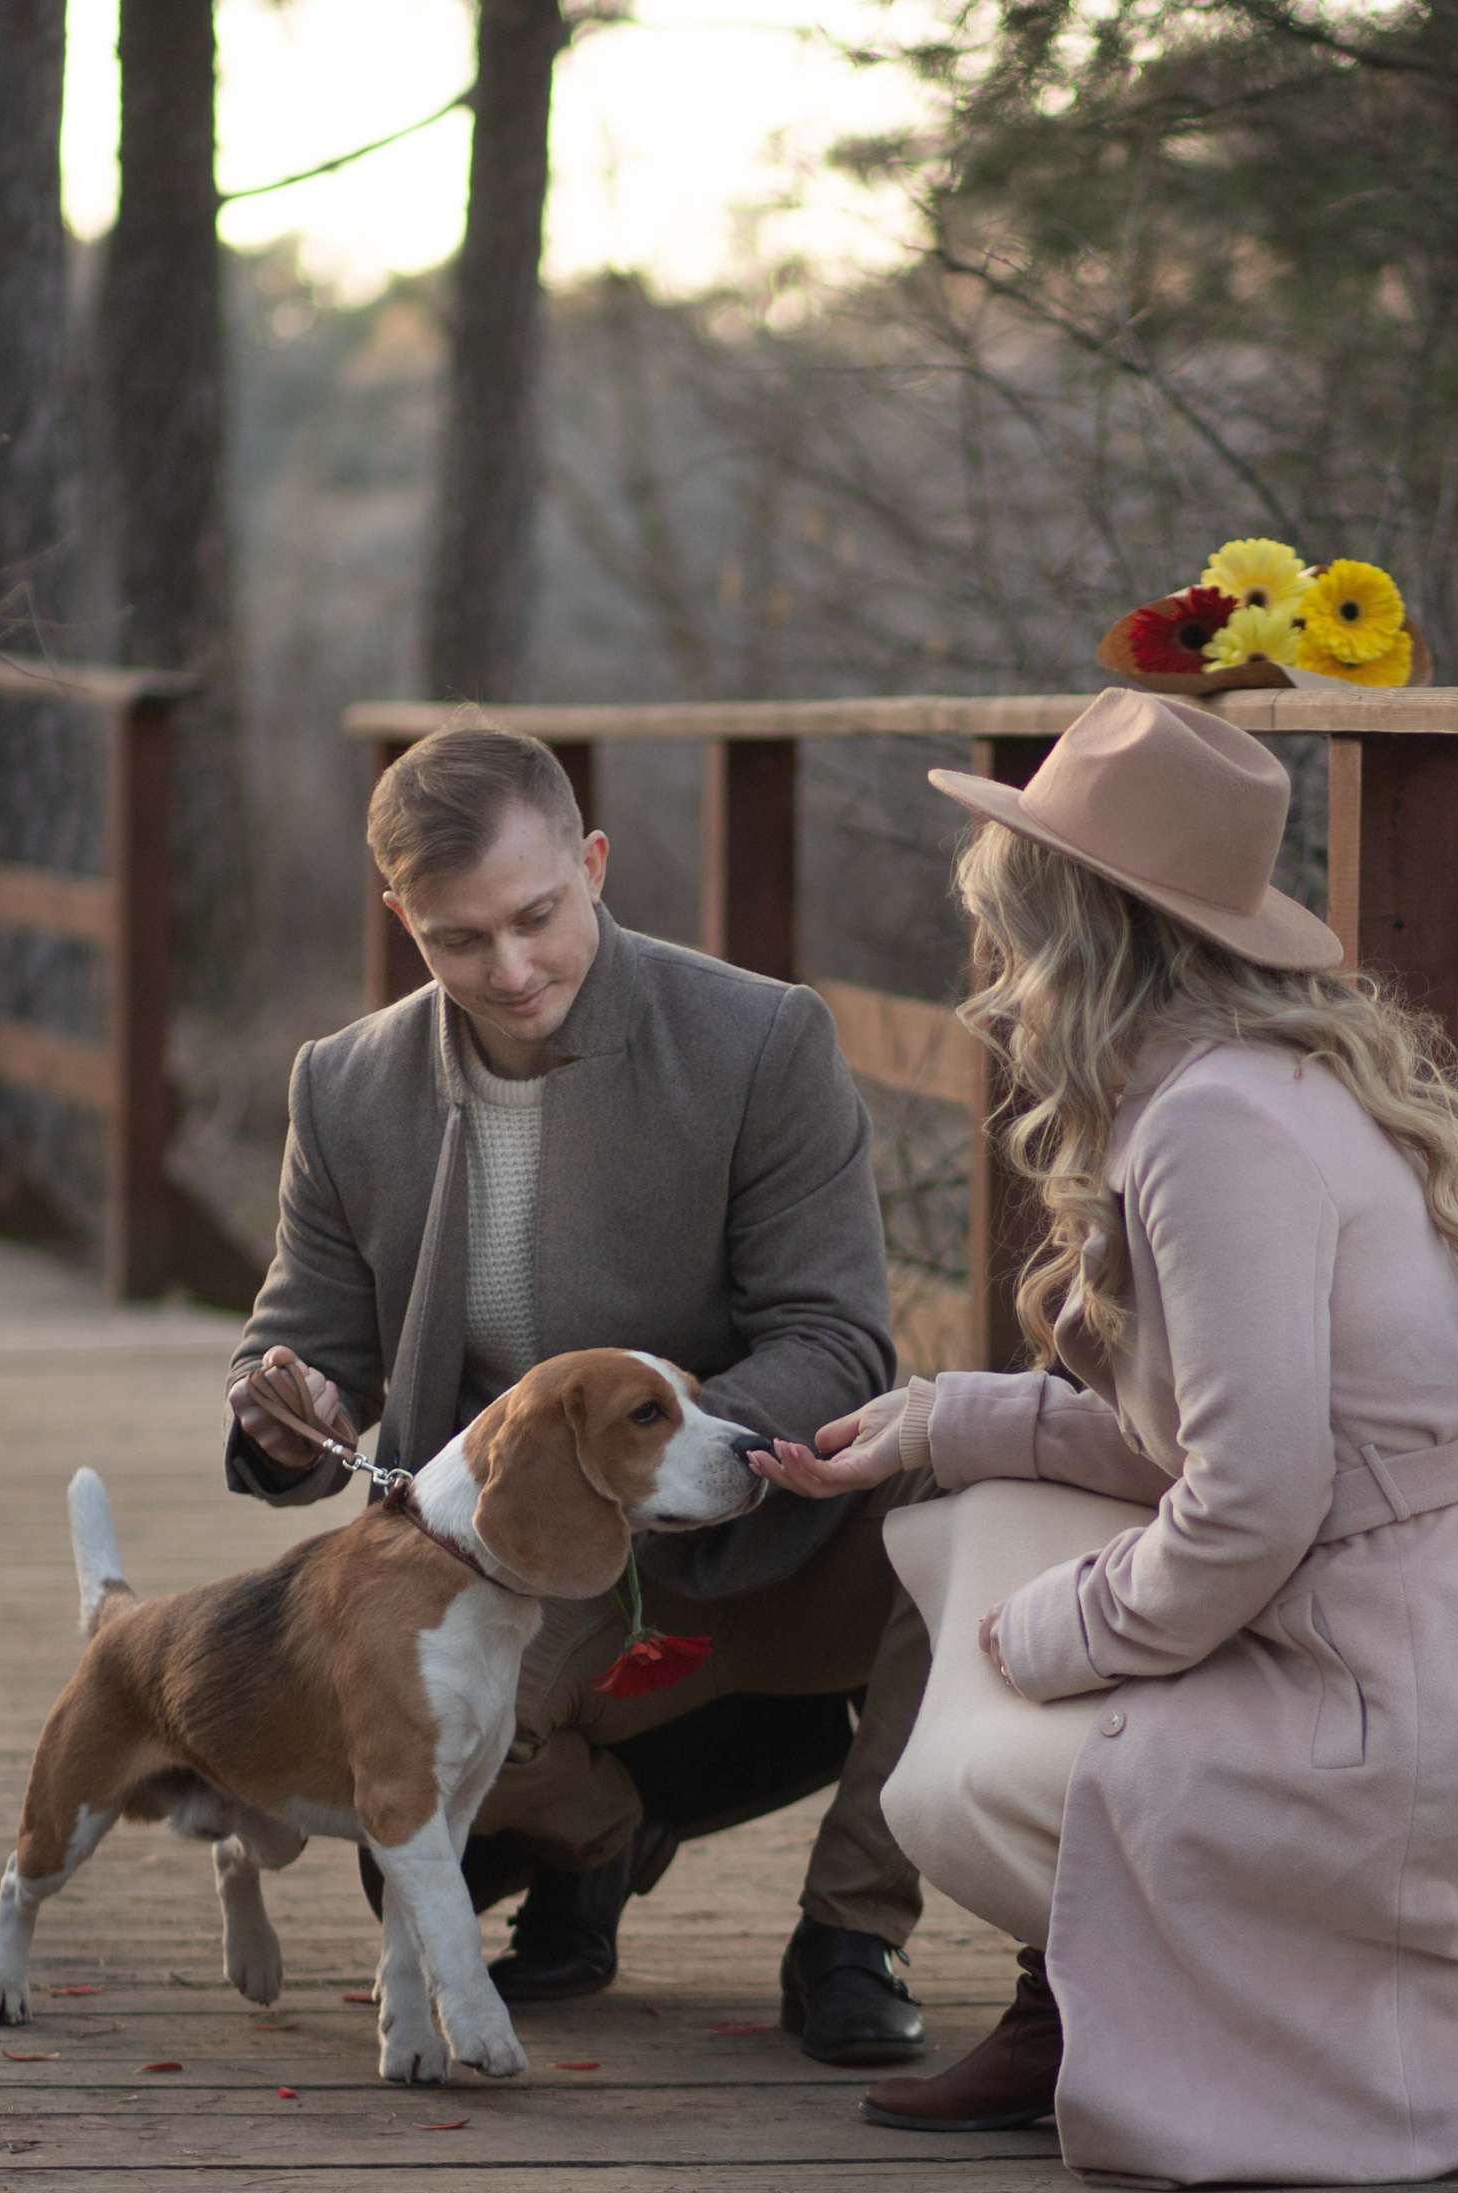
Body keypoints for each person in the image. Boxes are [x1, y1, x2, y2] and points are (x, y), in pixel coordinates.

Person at [752, 687, 1458, 2184]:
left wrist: (1056, 1639)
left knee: (950, 1786)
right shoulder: (1270, 1074)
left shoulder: (1213, 1127)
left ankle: (1133, 2019)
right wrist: (935, 1421)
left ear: (1080, 927)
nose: (998, 962)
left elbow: (1251, 1500)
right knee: (962, 1509)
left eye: (1013, 918)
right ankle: (1075, 2005)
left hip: (1402, 1697)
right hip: (1444, 1623)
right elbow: (1211, 1443)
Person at [223, 718, 932, 2067]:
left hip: (755, 1527)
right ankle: (602, 1835)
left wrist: (659, 1466)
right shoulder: (344, 1084)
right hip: (516, 1561)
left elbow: (838, 1340)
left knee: (966, 1483)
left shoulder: (762, 1040)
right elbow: (305, 1354)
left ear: (595, 863)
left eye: (537, 916)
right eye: (457, 940)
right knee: (403, 1859)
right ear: (401, 919)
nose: (511, 968)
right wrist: (280, 1411)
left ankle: (855, 1926)